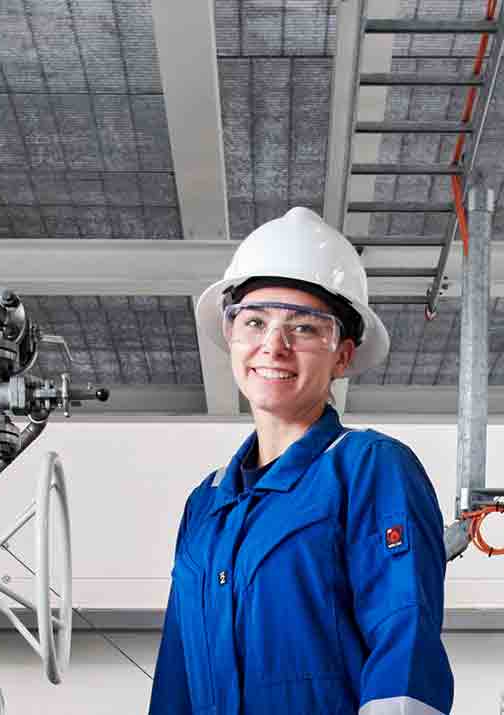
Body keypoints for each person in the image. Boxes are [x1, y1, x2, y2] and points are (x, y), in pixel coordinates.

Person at [149, 208, 454, 714]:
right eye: (254, 322)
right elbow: (176, 679)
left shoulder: (369, 470)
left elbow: (405, 640)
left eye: (305, 328)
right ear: (231, 338)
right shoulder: (205, 505)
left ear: (342, 355)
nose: (273, 346)